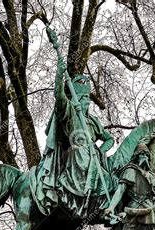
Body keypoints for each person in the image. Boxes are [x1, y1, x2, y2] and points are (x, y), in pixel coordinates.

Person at [33, 29, 114, 219]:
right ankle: (72, 194)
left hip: (93, 156)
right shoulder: (70, 111)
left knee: (109, 178)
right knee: (80, 152)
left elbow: (109, 139)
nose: (87, 101)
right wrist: (60, 76)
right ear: (77, 98)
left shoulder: (93, 121)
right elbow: (58, 97)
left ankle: (99, 206)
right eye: (83, 97)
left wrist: (100, 150)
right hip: (74, 153)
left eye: (88, 98)